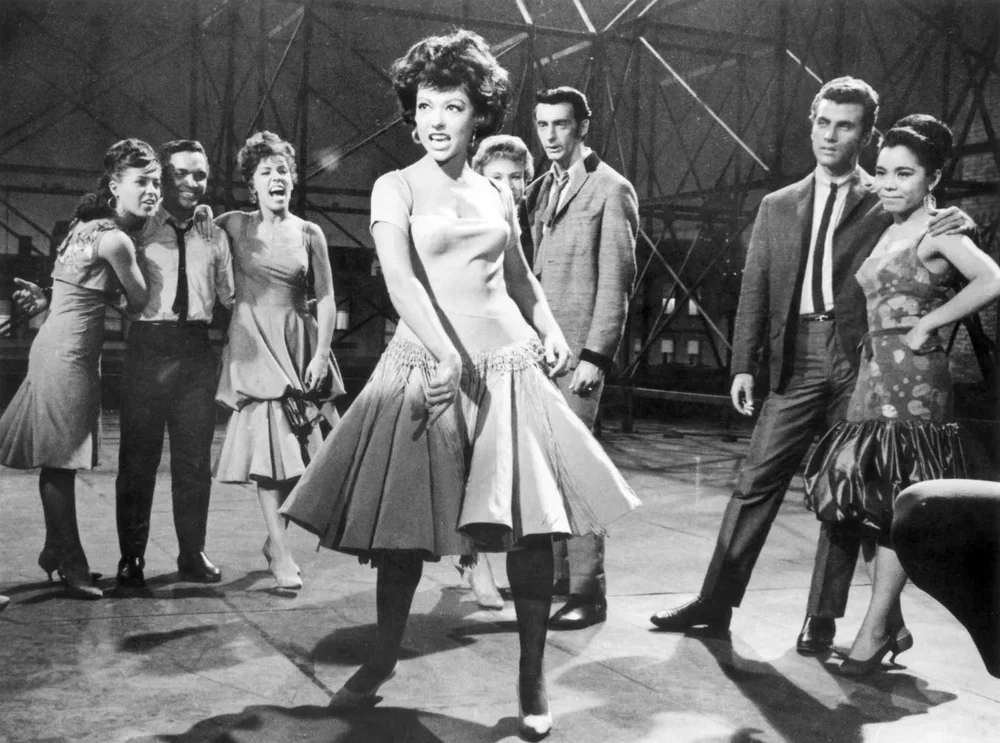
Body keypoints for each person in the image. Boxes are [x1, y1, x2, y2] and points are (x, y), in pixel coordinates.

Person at [278, 29, 639, 739]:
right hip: (427, 364)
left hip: (506, 367)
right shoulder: (396, 186)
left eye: (452, 106)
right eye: (425, 106)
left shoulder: (496, 191)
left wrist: (549, 326)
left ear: (480, 114)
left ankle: (531, 676)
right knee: (405, 531)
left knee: (530, 530)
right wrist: (445, 355)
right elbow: (402, 280)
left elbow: (520, 278)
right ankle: (383, 655)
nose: (436, 120)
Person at [649, 78, 976, 655]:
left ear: (866, 134)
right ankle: (715, 603)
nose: (830, 135)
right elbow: (755, 287)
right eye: (823, 122)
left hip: (861, 358)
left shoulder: (886, 194)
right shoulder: (776, 205)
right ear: (811, 124)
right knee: (755, 480)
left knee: (842, 488)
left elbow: (932, 221)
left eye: (845, 125)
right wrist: (743, 363)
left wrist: (958, 221)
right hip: (794, 355)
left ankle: (820, 619)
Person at [803, 114, 1000, 675]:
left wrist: (930, 321)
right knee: (866, 499)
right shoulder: (886, 227)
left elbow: (993, 279)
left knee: (894, 500)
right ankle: (890, 622)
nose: (889, 184)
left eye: (905, 174)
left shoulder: (940, 230)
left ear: (932, 177)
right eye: (883, 172)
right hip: (874, 376)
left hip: (915, 379)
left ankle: (874, 629)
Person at [0, 138, 157, 599]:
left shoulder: (81, 228)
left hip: (59, 347)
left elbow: (76, 288)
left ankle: (56, 549)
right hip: (68, 355)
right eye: (142, 182)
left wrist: (50, 297)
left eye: (156, 183)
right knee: (61, 461)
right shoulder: (117, 240)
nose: (152, 191)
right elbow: (142, 301)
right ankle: (70, 563)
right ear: (115, 186)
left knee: (61, 458)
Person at [522, 86, 639, 630]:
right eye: (542, 124)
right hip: (538, 353)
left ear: (583, 126)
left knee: (578, 471)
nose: (550, 135)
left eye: (561, 124)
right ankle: (558, 575)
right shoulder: (541, 188)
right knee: (545, 468)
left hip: (579, 359)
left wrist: (596, 356)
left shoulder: (611, 188)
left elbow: (617, 282)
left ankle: (589, 592)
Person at [211, 131, 344, 590]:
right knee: (270, 455)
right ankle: (282, 553)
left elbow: (327, 297)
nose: (277, 178)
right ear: (252, 183)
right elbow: (195, 240)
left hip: (301, 345)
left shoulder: (310, 233)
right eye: (266, 171)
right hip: (255, 347)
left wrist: (322, 353)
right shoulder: (232, 225)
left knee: (307, 456)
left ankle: (274, 541)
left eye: (283, 170)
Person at [113, 140, 234, 589]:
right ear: (164, 176)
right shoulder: (138, 229)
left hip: (197, 351)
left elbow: (232, 297)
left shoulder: (214, 235)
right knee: (137, 461)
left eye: (199, 174)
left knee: (194, 462)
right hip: (148, 348)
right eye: (181, 173)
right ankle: (132, 558)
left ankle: (192, 553)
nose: (191, 182)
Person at [453, 133, 537, 611]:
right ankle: (474, 562)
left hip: (506, 349)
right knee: (465, 456)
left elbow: (520, 279)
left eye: (516, 177)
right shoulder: (463, 211)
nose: (506, 185)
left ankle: (480, 557)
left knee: (496, 458)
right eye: (496, 176)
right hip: (461, 345)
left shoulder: (514, 221)